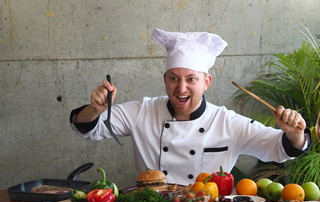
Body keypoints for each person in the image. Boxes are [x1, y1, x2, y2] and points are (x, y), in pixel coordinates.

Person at [69, 28, 311, 185]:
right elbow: (88, 129)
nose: (181, 88)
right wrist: (96, 109)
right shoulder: (142, 111)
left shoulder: (226, 121)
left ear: (206, 82)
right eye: (173, 78)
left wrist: (295, 133)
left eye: (191, 79)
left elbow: (278, 149)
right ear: (165, 79)